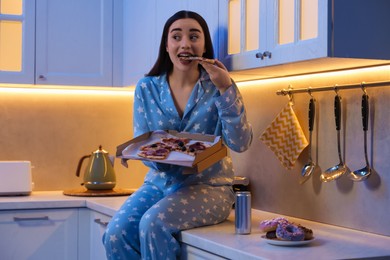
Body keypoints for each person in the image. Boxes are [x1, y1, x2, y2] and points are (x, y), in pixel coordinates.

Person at [103, 10, 252, 260]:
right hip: (158, 185)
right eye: (176, 36)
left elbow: (240, 142)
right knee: (116, 233)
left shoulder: (220, 85)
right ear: (167, 44)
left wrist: (226, 88)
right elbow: (144, 144)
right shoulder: (147, 87)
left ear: (204, 45)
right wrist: (162, 155)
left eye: (194, 36)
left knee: (153, 223)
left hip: (210, 188)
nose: (185, 43)